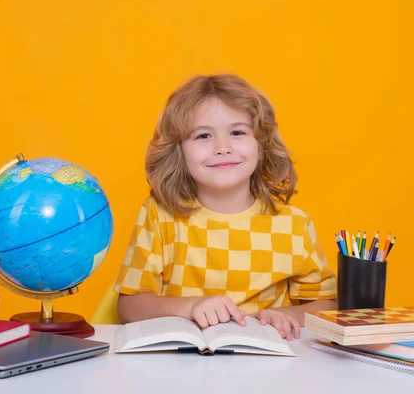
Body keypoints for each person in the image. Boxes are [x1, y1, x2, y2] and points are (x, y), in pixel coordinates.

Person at [114, 74, 337, 341]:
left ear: (261, 145)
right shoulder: (160, 215)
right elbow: (128, 306)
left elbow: (328, 305)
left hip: (267, 368)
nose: (222, 148)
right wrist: (191, 307)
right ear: (179, 152)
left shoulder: (294, 225)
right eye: (203, 135)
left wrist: (289, 314)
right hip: (180, 364)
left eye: (237, 132)